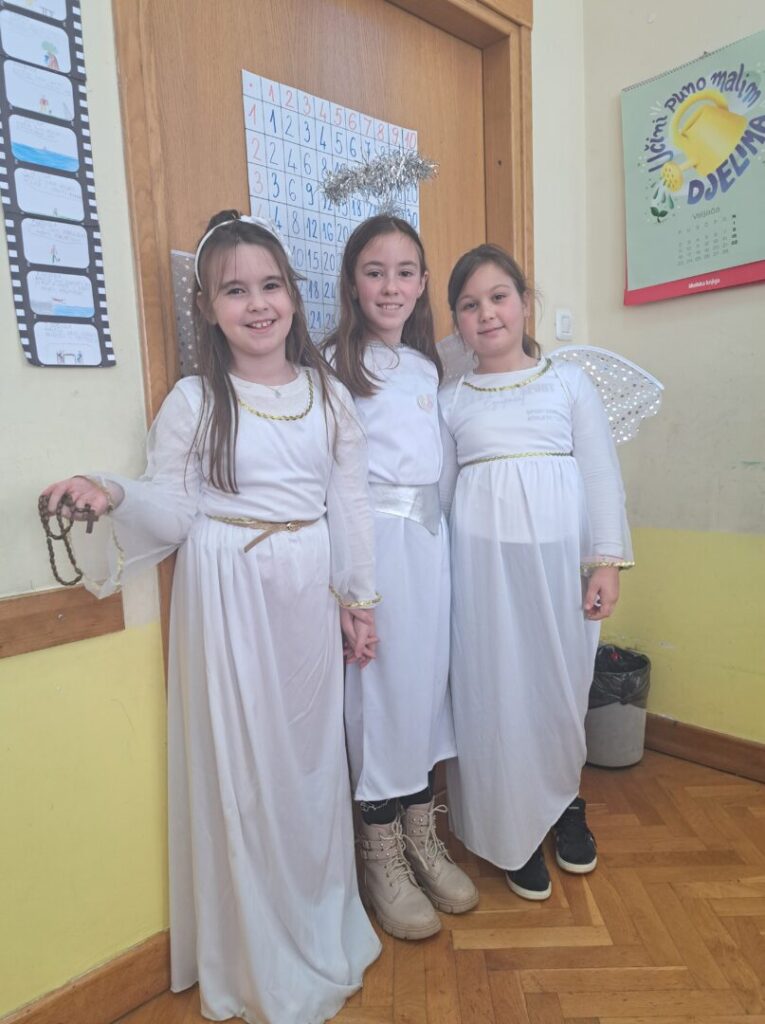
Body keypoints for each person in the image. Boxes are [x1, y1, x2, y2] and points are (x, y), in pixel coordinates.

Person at [41, 211, 382, 1024]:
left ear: (293, 295)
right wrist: (113, 490)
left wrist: (359, 600)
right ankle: (254, 950)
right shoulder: (196, 400)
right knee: (244, 771)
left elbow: (351, 506)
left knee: (308, 771)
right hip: (226, 595)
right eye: (235, 290)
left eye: (270, 286)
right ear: (207, 306)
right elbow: (172, 508)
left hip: (306, 591)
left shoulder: (329, 397)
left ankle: (314, 919)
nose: (256, 304)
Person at [439, 244, 633, 901]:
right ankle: (508, 829)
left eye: (498, 297)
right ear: (457, 321)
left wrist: (605, 561)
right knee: (493, 693)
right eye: (470, 304)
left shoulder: (567, 382)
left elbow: (600, 475)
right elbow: (441, 496)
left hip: (557, 570)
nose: (487, 313)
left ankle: (563, 801)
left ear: (525, 303)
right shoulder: (450, 399)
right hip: (480, 575)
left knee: (558, 691)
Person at [323, 215, 478, 940]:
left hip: (429, 547)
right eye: (375, 271)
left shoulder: (427, 367)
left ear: (422, 284)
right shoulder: (332, 365)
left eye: (405, 272)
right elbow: (333, 482)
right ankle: (379, 848)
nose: (391, 286)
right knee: (377, 695)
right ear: (352, 282)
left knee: (423, 690)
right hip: (374, 550)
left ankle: (422, 835)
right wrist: (352, 586)